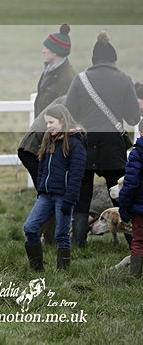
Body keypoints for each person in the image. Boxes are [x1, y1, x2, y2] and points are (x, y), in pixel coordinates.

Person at [64, 31, 140, 247]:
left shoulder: (81, 80)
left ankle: (78, 244)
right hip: (113, 148)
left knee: (82, 199)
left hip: (85, 146)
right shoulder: (124, 80)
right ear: (114, 59)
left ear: (94, 60)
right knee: (123, 197)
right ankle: (133, 242)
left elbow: (69, 113)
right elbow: (133, 117)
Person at [17, 24, 76, 245]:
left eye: (47, 48)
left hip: (53, 140)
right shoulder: (50, 71)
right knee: (46, 189)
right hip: (42, 136)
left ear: (57, 52)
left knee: (50, 189)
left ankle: (48, 236)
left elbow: (65, 111)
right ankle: (46, 234)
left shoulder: (68, 77)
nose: (43, 51)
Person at [22, 104, 86, 271]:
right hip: (46, 196)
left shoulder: (75, 143)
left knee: (62, 235)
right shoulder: (49, 140)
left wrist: (69, 199)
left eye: (51, 122)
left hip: (64, 197)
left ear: (63, 121)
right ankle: (37, 271)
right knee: (29, 228)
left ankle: (62, 273)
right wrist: (41, 189)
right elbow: (42, 168)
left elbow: (76, 175)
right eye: (47, 123)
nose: (48, 126)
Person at [118, 124, 143, 279]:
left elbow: (130, 184)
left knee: (139, 242)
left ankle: (135, 276)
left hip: (139, 209)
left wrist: (124, 207)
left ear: (140, 133)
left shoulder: (136, 154)